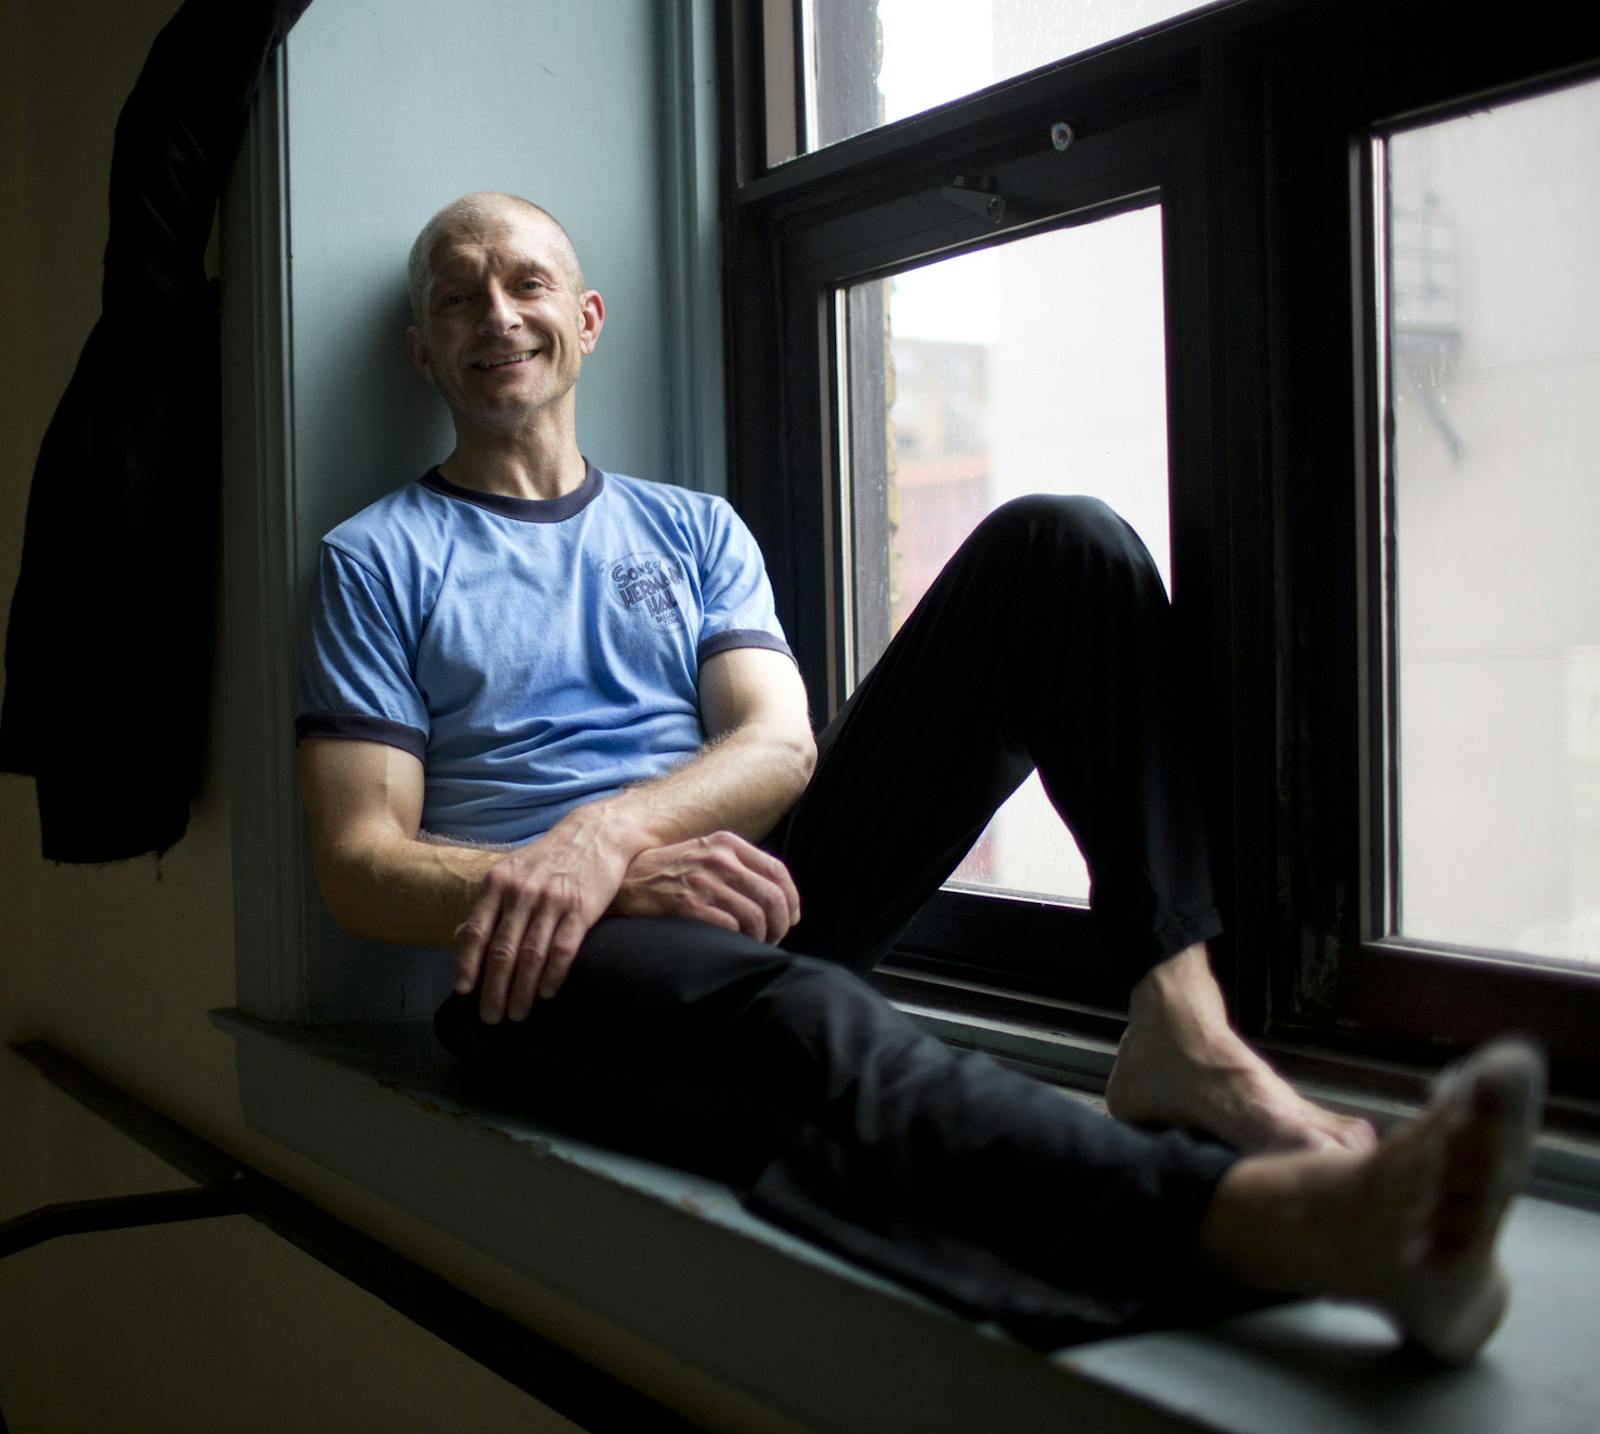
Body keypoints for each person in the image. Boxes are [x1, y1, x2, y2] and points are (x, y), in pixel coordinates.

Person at [293, 190, 1544, 1357]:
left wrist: (612, 832)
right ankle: (1291, 1222)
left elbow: (780, 746)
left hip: (747, 888)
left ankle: (1179, 1022)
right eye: (459, 297)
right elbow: (360, 868)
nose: (499, 315)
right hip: (550, 963)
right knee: (819, 1027)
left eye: (526, 283)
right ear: (422, 350)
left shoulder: (691, 528)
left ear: (586, 318)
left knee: (1061, 547)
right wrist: (598, 880)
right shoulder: (377, 560)